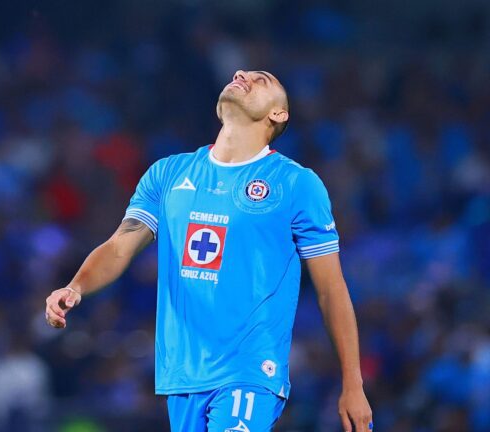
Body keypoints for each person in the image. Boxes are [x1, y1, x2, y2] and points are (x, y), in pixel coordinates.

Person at [45, 70, 373, 432]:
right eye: (242, 73)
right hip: (182, 373)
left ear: (278, 114)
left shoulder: (296, 184)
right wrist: (75, 286)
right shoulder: (168, 173)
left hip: (249, 370)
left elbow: (330, 289)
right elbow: (120, 245)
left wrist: (353, 383)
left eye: (261, 79)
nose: (242, 74)